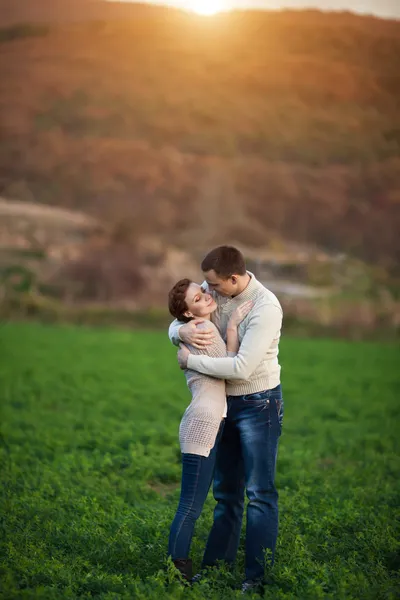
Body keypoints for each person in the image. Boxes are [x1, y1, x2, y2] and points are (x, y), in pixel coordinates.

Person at [169, 246, 284, 593]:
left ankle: (256, 578)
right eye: (206, 286)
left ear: (233, 279)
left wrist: (190, 361)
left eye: (213, 284)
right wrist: (179, 333)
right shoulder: (218, 296)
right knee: (226, 494)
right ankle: (217, 568)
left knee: (259, 493)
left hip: (258, 404)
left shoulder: (265, 307)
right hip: (224, 407)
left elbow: (240, 368)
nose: (208, 291)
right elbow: (183, 315)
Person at [167, 277, 253, 582]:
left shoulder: (193, 325)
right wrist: (232, 328)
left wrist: (178, 331)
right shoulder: (202, 330)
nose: (206, 296)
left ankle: (179, 570)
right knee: (190, 505)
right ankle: (176, 573)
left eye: (204, 292)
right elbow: (229, 365)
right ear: (189, 313)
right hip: (202, 424)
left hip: (209, 420)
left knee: (193, 504)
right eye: (198, 299)